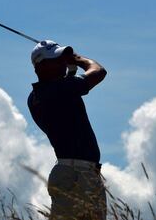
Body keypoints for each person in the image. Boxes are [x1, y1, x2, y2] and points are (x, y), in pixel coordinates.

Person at [27, 40, 107, 220]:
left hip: (70, 172)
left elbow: (70, 86)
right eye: (57, 59)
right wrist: (78, 59)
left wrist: (70, 68)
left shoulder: (36, 96)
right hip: (78, 175)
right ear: (41, 66)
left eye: (62, 58)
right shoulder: (59, 89)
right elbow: (99, 72)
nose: (62, 62)